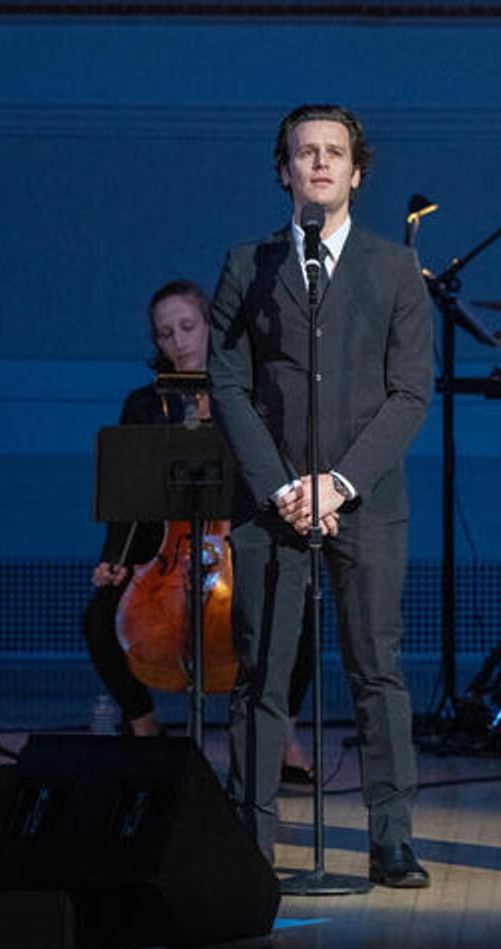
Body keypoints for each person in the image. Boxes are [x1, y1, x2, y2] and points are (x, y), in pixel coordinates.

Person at [207, 104, 433, 887]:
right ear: (285, 170)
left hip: (362, 500)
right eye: (307, 153)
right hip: (270, 505)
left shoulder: (396, 268)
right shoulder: (248, 263)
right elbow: (228, 382)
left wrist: (337, 483)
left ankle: (391, 838)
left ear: (357, 171)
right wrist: (279, 486)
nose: (322, 164)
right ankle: (251, 839)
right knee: (262, 672)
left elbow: (410, 393)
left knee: (377, 669)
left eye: (336, 153)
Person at [81, 279, 316, 765]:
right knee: (100, 616)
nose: (178, 342)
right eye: (165, 334)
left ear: (211, 326)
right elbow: (128, 498)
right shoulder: (144, 405)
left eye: (187, 327)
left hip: (241, 545)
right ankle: (144, 727)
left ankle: (283, 736)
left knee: (302, 607)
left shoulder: (250, 395)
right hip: (162, 551)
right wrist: (115, 560)